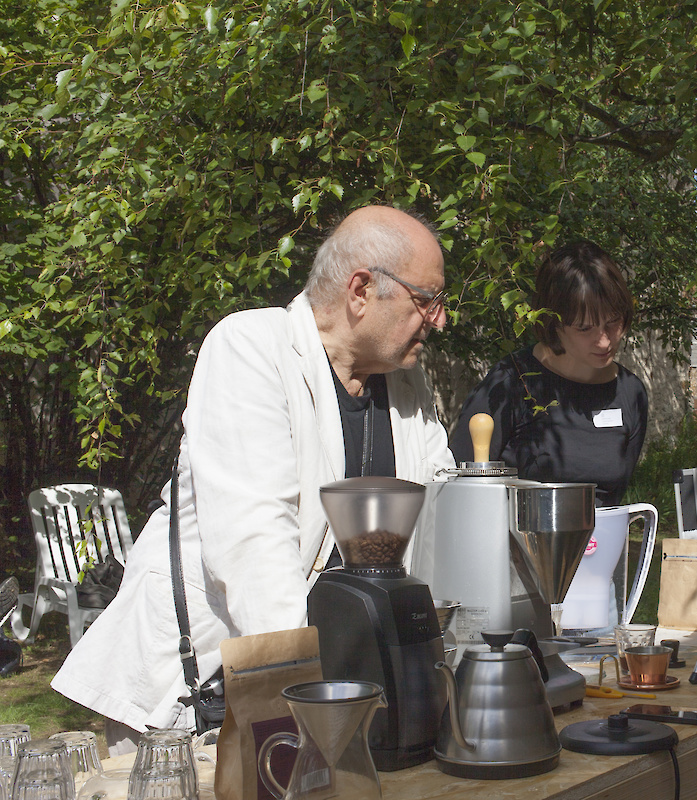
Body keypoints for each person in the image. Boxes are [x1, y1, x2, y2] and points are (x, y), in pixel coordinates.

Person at [53, 206, 456, 751]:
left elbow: (434, 523)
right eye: (426, 300)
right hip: (194, 695)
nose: (440, 320)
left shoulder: (406, 388)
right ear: (361, 291)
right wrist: (310, 703)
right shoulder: (249, 347)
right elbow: (254, 544)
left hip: (344, 689)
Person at [449, 240, 648, 507]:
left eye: (613, 323)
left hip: (600, 545)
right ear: (553, 324)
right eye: (585, 328)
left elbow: (616, 496)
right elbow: (458, 492)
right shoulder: (510, 384)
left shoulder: (630, 393)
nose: (604, 341)